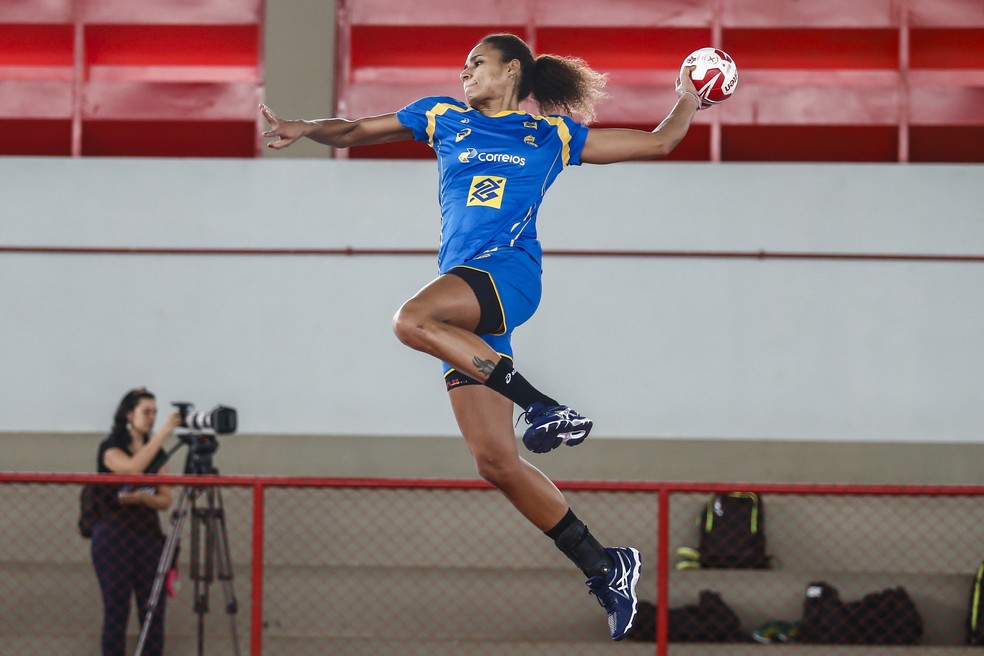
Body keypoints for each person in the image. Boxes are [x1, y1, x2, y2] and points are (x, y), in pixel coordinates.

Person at [260, 32, 706, 640]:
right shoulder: (441, 116)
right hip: (467, 302)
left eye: (478, 63)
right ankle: (605, 566)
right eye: (464, 64)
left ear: (512, 71)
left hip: (509, 275)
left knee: (410, 321)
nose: (464, 71)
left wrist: (687, 96)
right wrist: (304, 126)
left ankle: (545, 406)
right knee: (496, 461)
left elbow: (661, 142)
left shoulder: (551, 136)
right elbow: (358, 130)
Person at [91, 387, 181, 656]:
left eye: (155, 412)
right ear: (129, 414)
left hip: (148, 537)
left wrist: (143, 499)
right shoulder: (110, 447)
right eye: (146, 412)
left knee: (152, 612)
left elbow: (165, 499)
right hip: (114, 535)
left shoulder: (157, 452)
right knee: (116, 612)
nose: (152, 417)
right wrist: (164, 432)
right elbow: (131, 469)